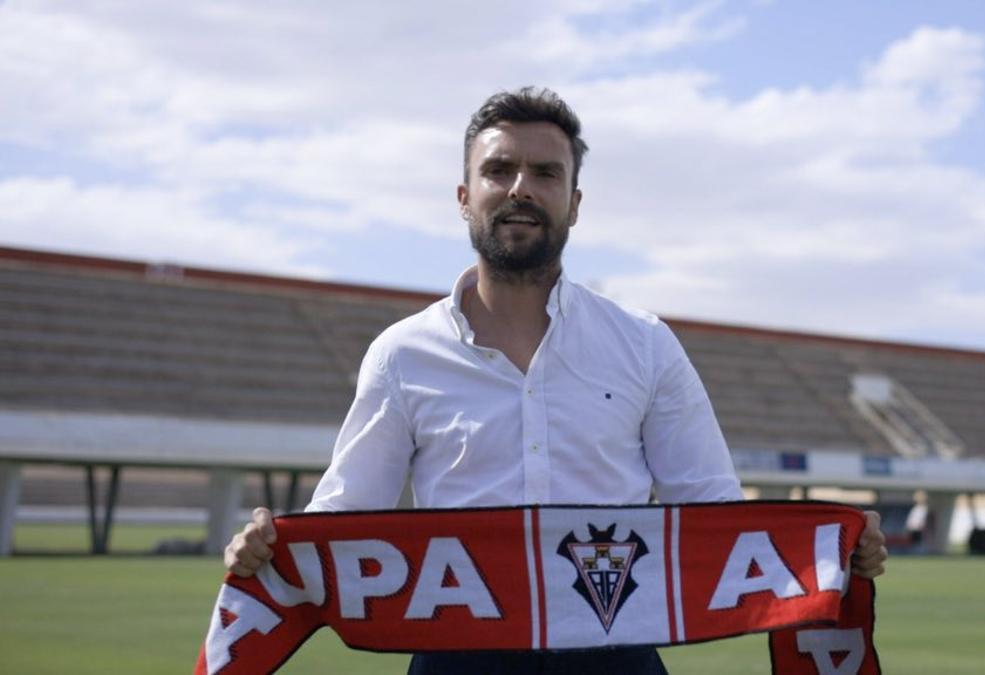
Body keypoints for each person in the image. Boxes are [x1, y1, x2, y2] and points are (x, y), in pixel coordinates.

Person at [225, 86, 887, 674]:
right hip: (457, 658)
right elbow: (340, 520)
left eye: (545, 173)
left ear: (574, 202)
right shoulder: (403, 355)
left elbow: (717, 513)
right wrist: (268, 547)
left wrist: (830, 552)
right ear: (464, 198)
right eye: (498, 170)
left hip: (619, 654)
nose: (521, 188)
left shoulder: (645, 343)